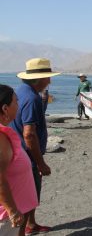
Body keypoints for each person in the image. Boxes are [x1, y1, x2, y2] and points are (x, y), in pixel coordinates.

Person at [9, 58, 61, 235]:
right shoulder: (32, 98)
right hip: (27, 158)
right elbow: (29, 134)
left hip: (17, 153)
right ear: (39, 79)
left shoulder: (20, 92)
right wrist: (40, 163)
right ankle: (25, 229)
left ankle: (31, 223)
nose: (50, 81)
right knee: (27, 198)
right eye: (48, 77)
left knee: (29, 196)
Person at [0, 84, 38, 236]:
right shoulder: (1, 137)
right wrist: (12, 210)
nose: (18, 105)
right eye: (16, 102)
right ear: (5, 108)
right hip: (7, 216)